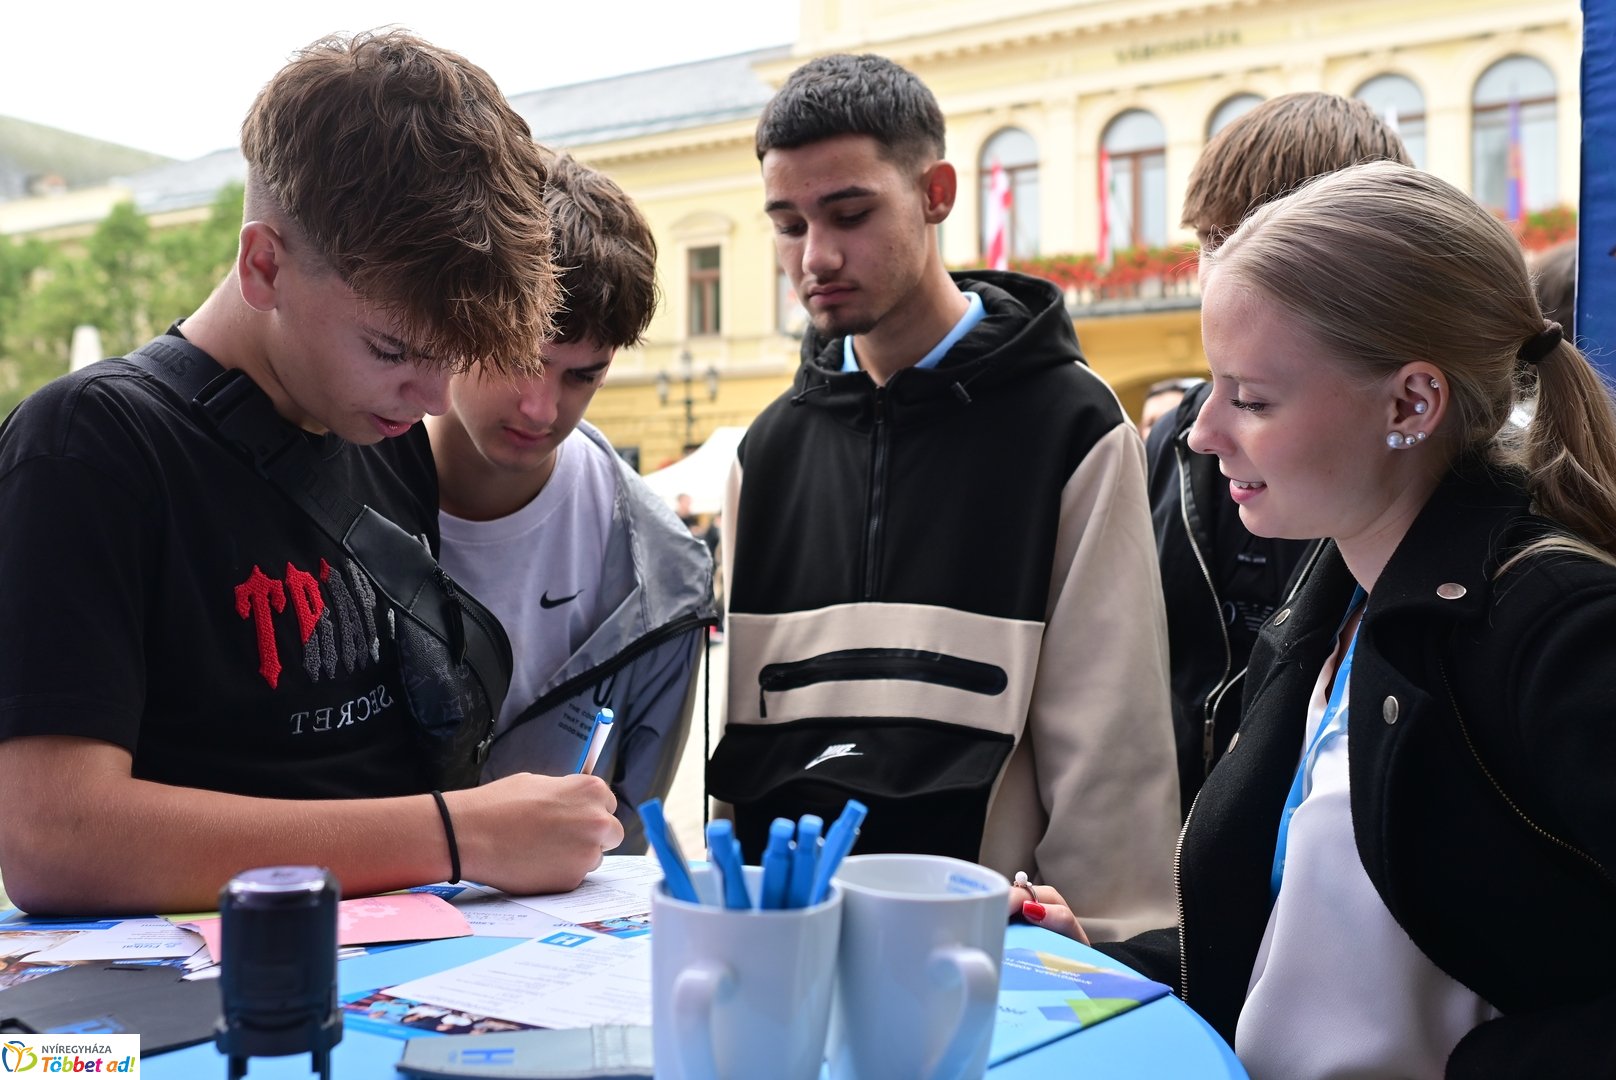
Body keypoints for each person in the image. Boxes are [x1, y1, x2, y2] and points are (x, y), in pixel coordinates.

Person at [0, 30, 623, 915]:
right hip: (157, 1026)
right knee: (48, 1071)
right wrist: (460, 834)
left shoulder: (383, 426)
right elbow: (52, 840)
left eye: (455, 358)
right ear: (264, 265)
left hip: (413, 972)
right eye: (394, 348)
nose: (437, 398)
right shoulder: (86, 447)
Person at [1025, 161, 1616, 1077]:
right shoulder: (1336, 596)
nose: (1201, 430)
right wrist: (1107, 962)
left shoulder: (1559, 627)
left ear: (1412, 401)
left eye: (1252, 399)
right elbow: (1300, 952)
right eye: (1213, 386)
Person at [710, 52, 1179, 942]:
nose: (816, 256)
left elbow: (1110, 746)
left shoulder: (1074, 428)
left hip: (999, 960)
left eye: (849, 213)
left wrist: (1105, 953)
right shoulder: (764, 453)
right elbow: (747, 733)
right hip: (791, 948)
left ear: (937, 193)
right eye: (787, 224)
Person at [427, 150, 716, 854]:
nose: (540, 406)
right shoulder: (326, 497)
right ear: (453, 317)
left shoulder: (665, 574)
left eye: (583, 376)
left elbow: (625, 843)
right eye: (520, 358)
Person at [1146, 92, 1411, 813]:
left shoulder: (1410, 474)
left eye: (1252, 243)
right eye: (1209, 241)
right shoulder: (1174, 443)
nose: (1217, 274)